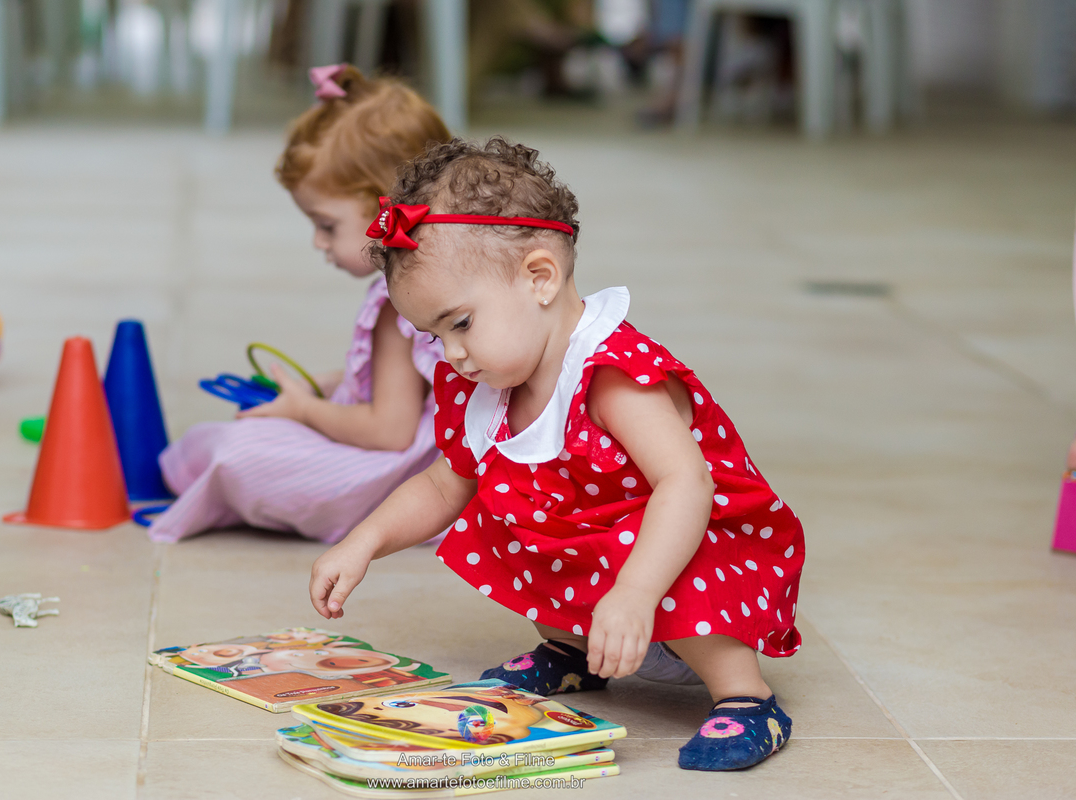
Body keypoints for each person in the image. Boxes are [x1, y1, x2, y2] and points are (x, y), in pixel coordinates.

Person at [308, 137, 805, 771]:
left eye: (459, 324)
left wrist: (634, 592)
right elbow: (444, 485)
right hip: (601, 551)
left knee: (670, 548)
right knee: (509, 517)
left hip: (688, 546)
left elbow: (687, 486)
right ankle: (572, 653)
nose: (451, 354)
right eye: (433, 336)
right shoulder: (483, 384)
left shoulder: (613, 375)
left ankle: (745, 695)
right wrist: (365, 540)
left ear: (539, 277)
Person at [148, 65, 450, 544]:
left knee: (233, 452)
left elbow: (389, 430)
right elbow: (411, 389)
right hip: (425, 464)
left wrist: (303, 410)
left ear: (385, 208)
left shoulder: (402, 305)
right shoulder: (435, 281)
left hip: (400, 480)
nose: (317, 242)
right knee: (227, 440)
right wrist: (326, 384)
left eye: (326, 225)